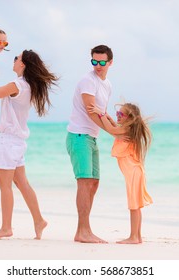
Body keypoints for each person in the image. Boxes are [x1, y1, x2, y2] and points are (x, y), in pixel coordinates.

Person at [0, 50, 58, 240]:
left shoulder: (16, 85)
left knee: (5, 185)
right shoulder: (29, 86)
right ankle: (39, 220)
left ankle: (6, 227)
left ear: (23, 64)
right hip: (18, 142)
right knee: (22, 183)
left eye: (17, 58)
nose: (14, 61)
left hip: (8, 141)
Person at [66, 45, 113, 243]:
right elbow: (90, 111)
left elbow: (102, 112)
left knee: (94, 184)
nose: (98, 66)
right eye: (94, 61)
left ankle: (84, 230)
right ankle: (83, 231)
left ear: (110, 62)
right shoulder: (88, 81)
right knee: (84, 183)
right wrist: (113, 132)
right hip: (79, 136)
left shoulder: (107, 84)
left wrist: (119, 129)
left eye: (102, 62)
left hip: (91, 137)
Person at [88, 103, 153, 244]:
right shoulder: (125, 129)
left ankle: (134, 237)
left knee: (134, 206)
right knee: (135, 206)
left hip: (134, 173)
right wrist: (107, 116)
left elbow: (111, 129)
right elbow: (112, 128)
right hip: (134, 172)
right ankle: (137, 236)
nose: (117, 116)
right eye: (117, 113)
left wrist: (100, 113)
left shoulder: (127, 129)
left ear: (129, 118)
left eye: (120, 114)